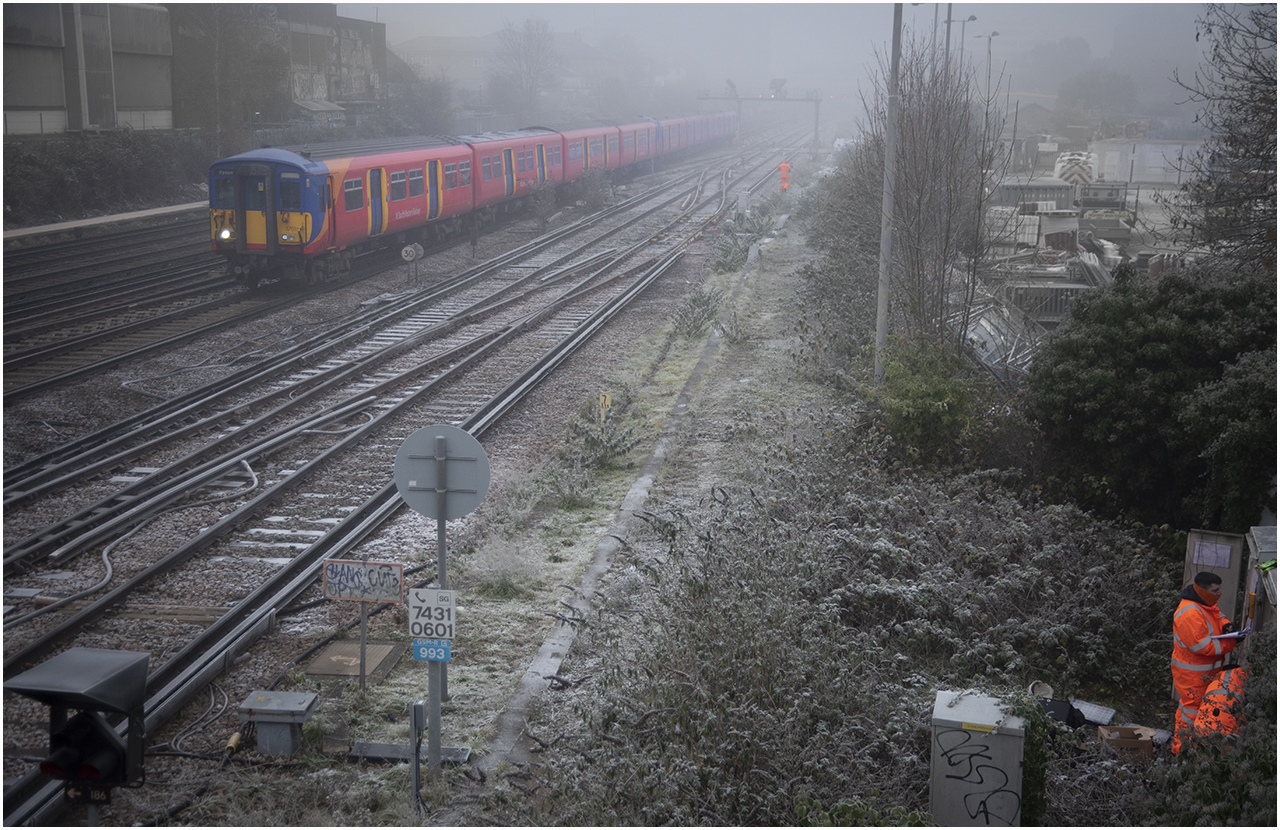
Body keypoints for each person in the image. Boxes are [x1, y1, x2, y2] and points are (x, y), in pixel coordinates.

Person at [1170, 571, 1241, 754]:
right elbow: (1204, 647)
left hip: (1202, 673)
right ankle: (1182, 752)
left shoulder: (1205, 603)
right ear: (1203, 591)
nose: (1219, 594)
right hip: (1192, 675)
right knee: (1191, 713)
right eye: (1216, 590)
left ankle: (1192, 750)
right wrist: (1232, 641)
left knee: (1194, 710)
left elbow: (1217, 615)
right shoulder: (1189, 614)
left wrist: (1226, 626)